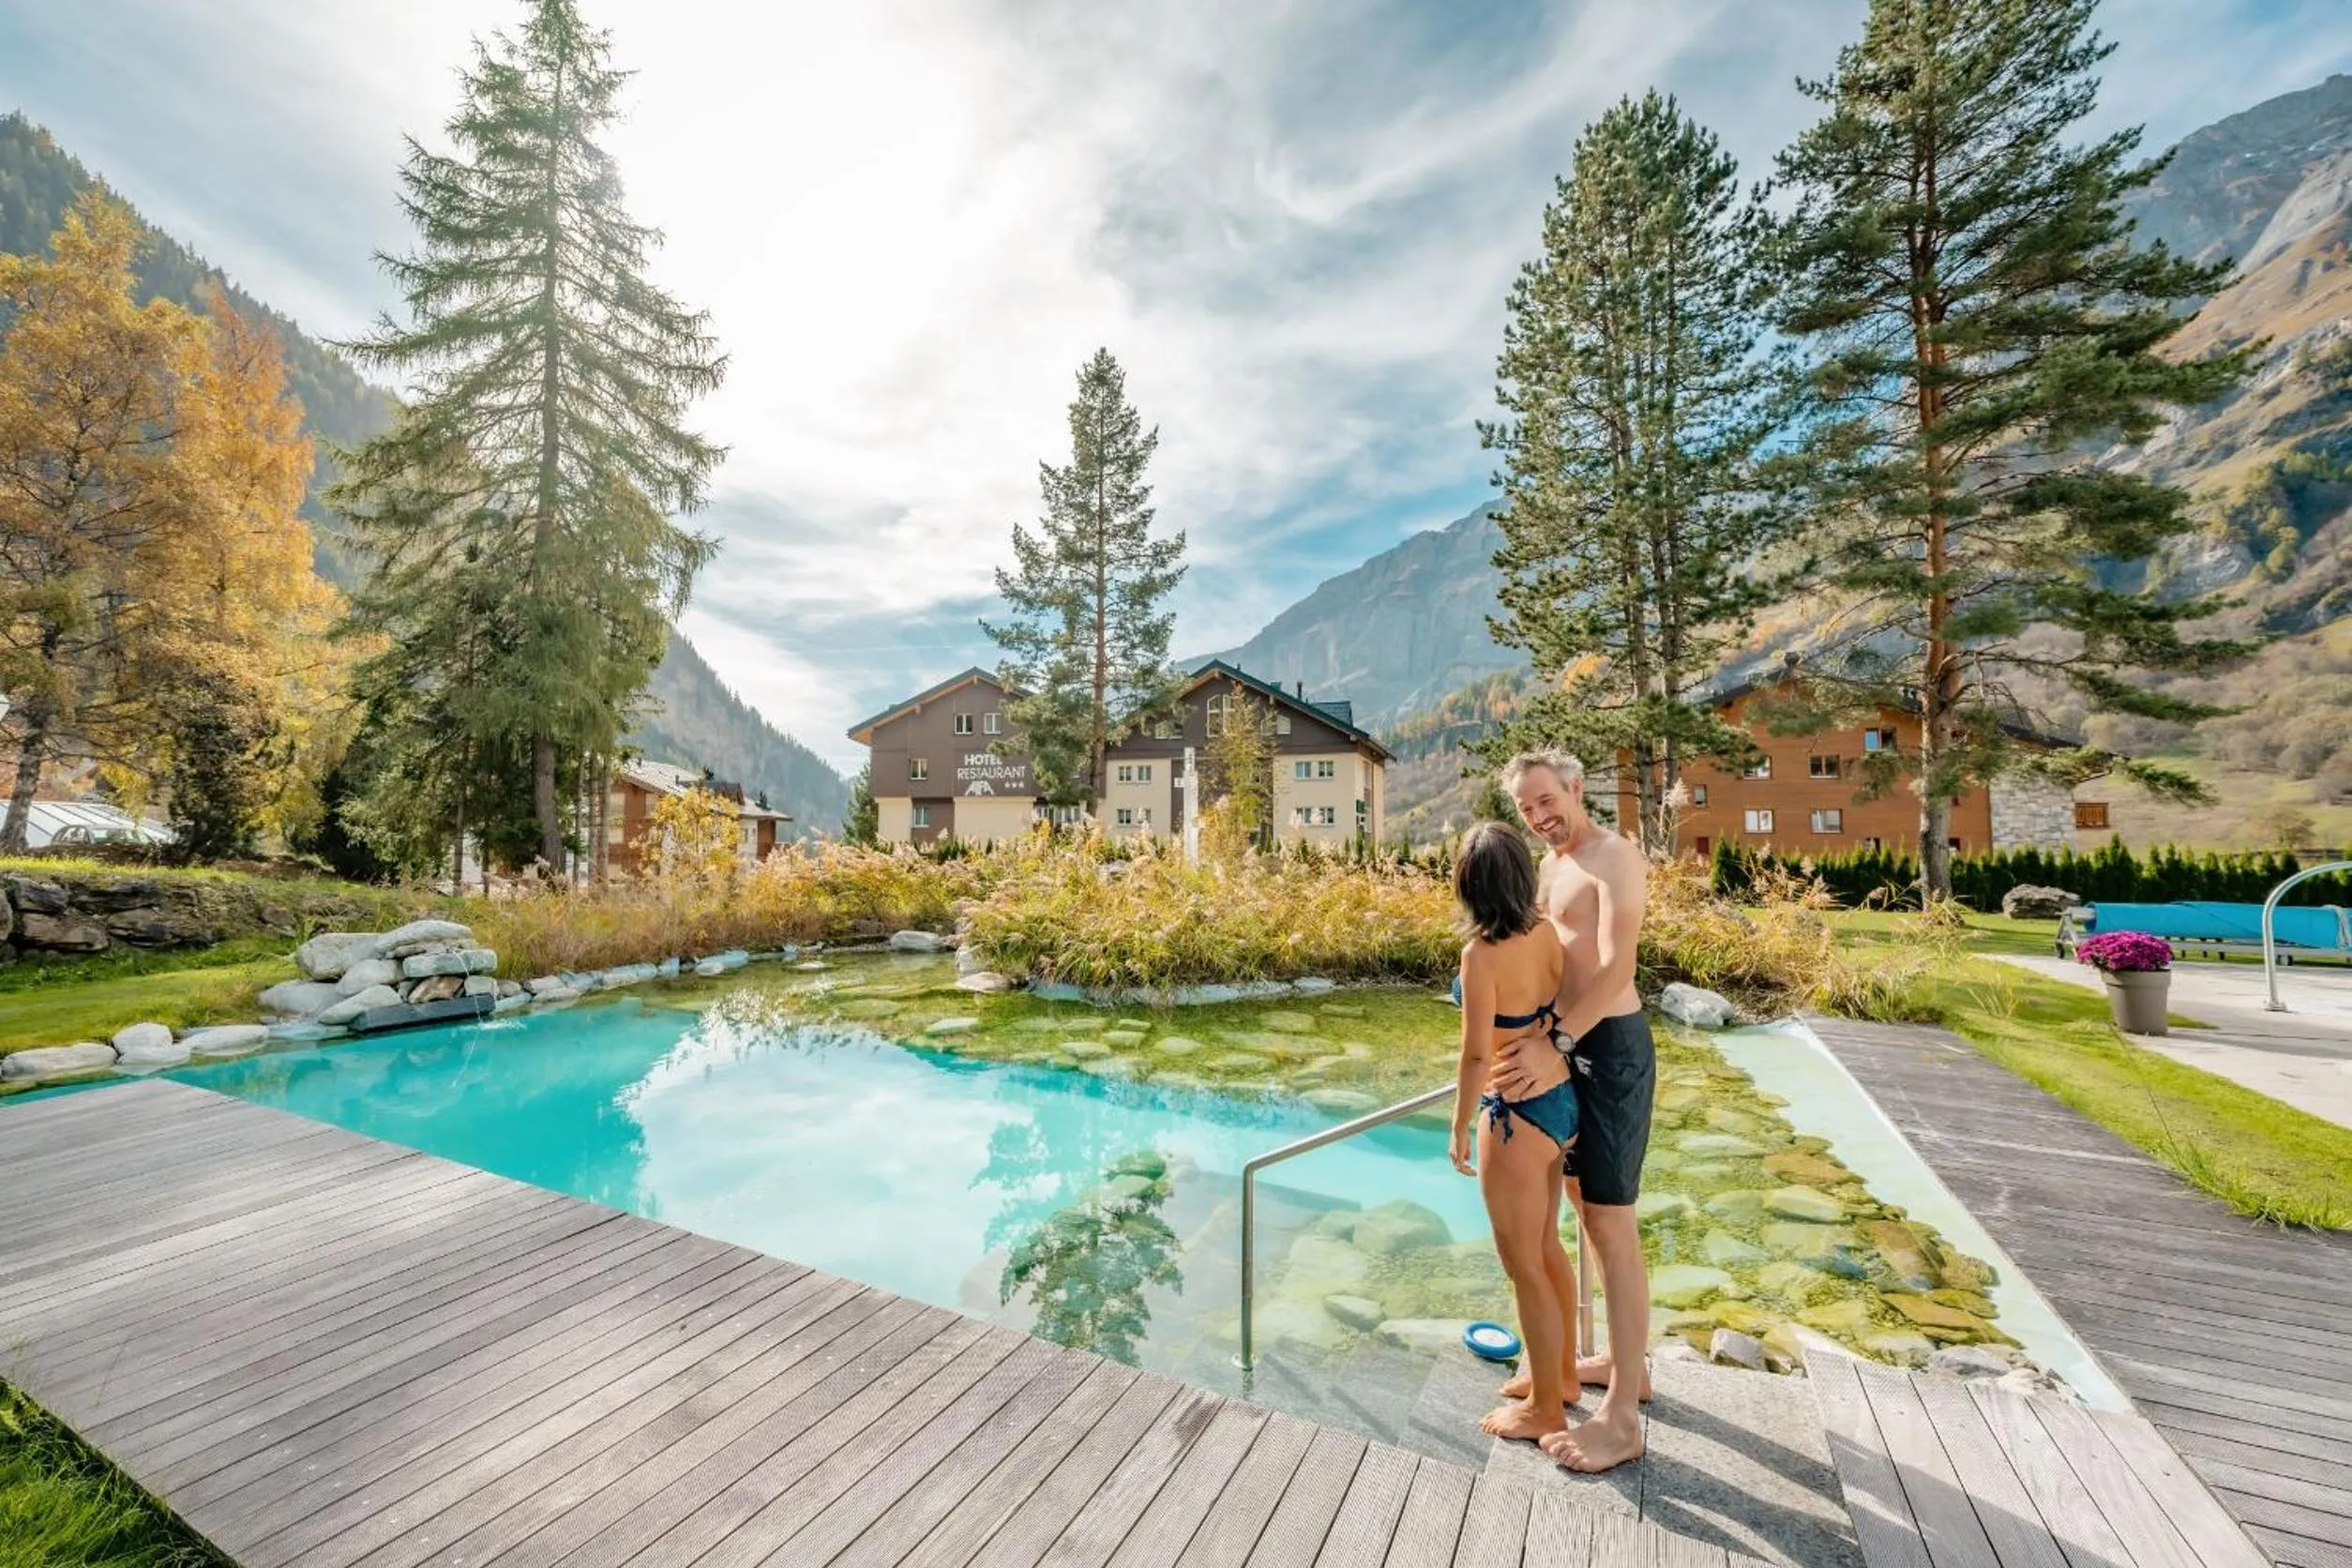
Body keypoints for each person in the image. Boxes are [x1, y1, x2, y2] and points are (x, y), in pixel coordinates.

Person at [1488, 748, 1653, 1473]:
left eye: (1547, 800)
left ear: (1576, 788)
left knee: (1612, 1224)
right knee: (1575, 1214)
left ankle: (1622, 1416)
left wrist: (1557, 1042)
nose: (1539, 817)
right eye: (1526, 809)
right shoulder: (1549, 870)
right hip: (1557, 1050)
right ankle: (1597, 1363)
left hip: (1607, 1047)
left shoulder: (1615, 858)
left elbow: (1617, 963)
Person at [1447, 820, 1581, 1442]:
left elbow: (1476, 1055)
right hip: (1558, 1104)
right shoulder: (1548, 933)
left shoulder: (1480, 956)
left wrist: (1458, 1129)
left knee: (1522, 1263)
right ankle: (1562, 1377)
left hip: (1512, 1118)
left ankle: (1545, 1409)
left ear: (1470, 886)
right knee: (1548, 1247)